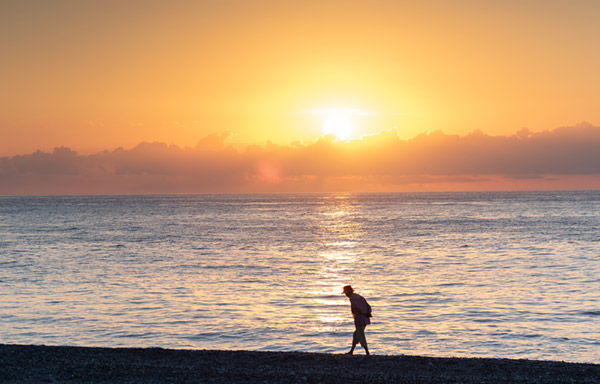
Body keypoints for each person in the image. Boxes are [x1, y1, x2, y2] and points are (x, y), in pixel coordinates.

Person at [342, 285, 371, 355]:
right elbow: (368, 306)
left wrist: (364, 313)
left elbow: (358, 307)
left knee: (360, 334)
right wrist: (368, 313)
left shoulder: (352, 298)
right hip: (364, 318)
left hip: (360, 319)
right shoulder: (358, 296)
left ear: (348, 292)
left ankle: (367, 352)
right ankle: (351, 351)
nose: (345, 295)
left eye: (345, 293)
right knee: (356, 334)